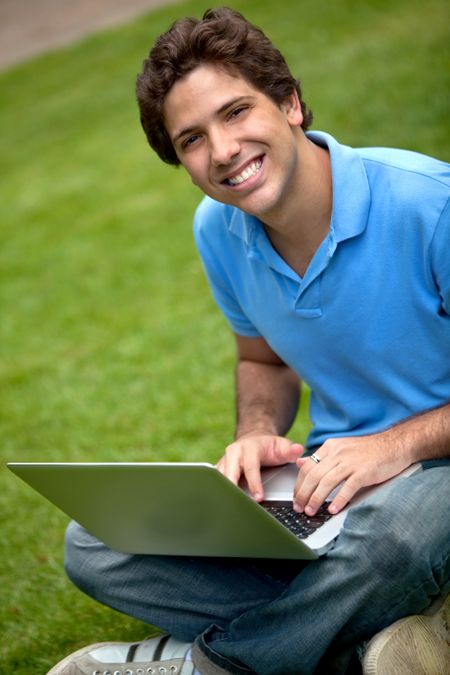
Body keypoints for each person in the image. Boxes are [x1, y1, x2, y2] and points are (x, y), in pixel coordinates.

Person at [49, 7, 450, 675]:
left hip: (429, 480)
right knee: (95, 540)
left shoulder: (429, 205)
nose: (224, 150)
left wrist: (392, 446)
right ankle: (365, 644)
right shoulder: (218, 228)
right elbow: (261, 357)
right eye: (193, 140)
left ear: (290, 103)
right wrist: (258, 430)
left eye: (236, 112)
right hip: (327, 487)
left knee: (397, 541)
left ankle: (205, 665)